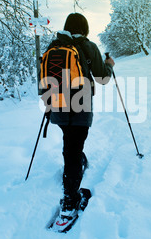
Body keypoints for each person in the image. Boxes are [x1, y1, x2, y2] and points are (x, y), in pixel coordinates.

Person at [46, 13, 115, 219]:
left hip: (57, 105)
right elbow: (102, 78)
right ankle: (70, 201)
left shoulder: (54, 46)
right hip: (79, 106)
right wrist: (109, 64)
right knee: (74, 148)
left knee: (70, 142)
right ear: (84, 28)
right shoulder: (88, 46)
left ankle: (74, 164)